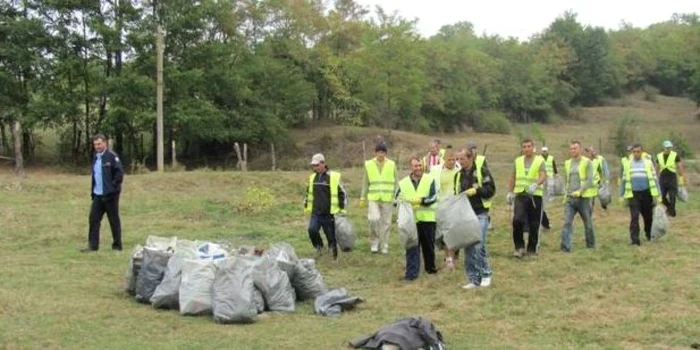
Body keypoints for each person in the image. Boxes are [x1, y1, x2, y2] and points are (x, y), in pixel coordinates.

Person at [455, 148, 495, 288]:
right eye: (458, 159)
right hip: (465, 214)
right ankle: (473, 279)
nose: (460, 162)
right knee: (468, 247)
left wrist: (477, 191)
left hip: (480, 213)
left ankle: (486, 274)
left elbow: (491, 190)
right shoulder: (458, 175)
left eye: (462, 159)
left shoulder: (481, 171)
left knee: (478, 245)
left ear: (470, 158)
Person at [395, 157, 439, 281]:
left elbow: (434, 196)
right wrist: (401, 201)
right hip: (410, 220)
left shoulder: (430, 180)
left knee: (428, 246)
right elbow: (396, 198)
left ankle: (430, 269)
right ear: (411, 167)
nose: (418, 168)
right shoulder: (403, 183)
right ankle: (411, 274)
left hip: (427, 218)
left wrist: (422, 201)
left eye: (420, 165)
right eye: (415, 166)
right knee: (412, 246)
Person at [82, 134, 124, 252]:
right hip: (98, 195)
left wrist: (112, 188)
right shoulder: (96, 157)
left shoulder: (112, 157)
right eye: (95, 144)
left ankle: (117, 245)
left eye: (99, 144)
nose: (97, 146)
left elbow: (119, 174)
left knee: (113, 220)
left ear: (105, 143)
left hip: (110, 195)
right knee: (93, 219)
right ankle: (93, 246)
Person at [507, 139, 546, 258]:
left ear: (533, 147)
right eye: (524, 147)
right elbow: (513, 177)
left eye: (529, 146)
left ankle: (532, 249)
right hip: (521, 194)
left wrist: (536, 184)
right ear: (522, 148)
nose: (526, 149)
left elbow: (543, 175)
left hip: (535, 195)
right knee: (517, 220)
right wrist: (510, 192)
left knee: (534, 223)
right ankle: (519, 247)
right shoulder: (517, 161)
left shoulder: (540, 160)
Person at [304, 153, 347, 260]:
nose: (314, 167)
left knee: (331, 237)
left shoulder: (333, 177)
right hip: (316, 212)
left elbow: (342, 193)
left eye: (316, 165)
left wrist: (341, 207)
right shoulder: (312, 177)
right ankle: (319, 248)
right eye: (313, 165)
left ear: (323, 163)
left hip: (329, 213)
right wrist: (306, 202)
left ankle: (334, 257)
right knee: (312, 230)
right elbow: (309, 192)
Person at [620, 143, 661, 245]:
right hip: (633, 194)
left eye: (638, 151)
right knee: (634, 217)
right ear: (632, 152)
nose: (636, 154)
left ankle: (649, 234)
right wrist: (621, 195)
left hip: (646, 193)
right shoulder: (628, 164)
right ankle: (635, 240)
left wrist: (659, 194)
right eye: (634, 152)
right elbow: (624, 180)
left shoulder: (648, 163)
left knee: (648, 217)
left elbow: (655, 179)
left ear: (642, 152)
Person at [360, 142, 397, 254]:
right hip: (374, 197)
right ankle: (374, 242)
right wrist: (362, 196)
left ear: (386, 153)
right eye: (379, 152)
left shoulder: (391, 164)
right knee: (373, 219)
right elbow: (365, 182)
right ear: (375, 153)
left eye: (383, 152)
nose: (381, 154)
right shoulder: (369, 164)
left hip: (387, 198)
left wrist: (396, 196)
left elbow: (396, 182)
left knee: (386, 223)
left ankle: (384, 245)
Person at [560, 141, 596, 252]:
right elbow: (567, 180)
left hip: (583, 198)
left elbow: (590, 180)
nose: (573, 151)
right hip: (570, 198)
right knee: (567, 222)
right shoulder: (567, 163)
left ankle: (591, 245)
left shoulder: (587, 162)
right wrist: (565, 194)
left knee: (588, 223)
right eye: (571, 149)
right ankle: (565, 247)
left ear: (580, 149)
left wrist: (580, 191)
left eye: (575, 148)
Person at [433, 149, 460, 270]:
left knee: (453, 233)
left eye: (454, 159)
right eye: (449, 159)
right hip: (441, 206)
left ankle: (451, 257)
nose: (452, 162)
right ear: (444, 159)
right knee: (443, 233)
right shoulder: (436, 171)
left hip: (455, 206)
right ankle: (448, 256)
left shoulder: (459, 171)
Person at [656, 140, 686, 217]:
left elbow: (679, 166)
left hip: (672, 177)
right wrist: (655, 176)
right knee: (662, 196)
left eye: (670, 148)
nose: (668, 149)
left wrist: (681, 177)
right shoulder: (659, 156)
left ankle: (672, 213)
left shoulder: (675, 155)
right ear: (663, 148)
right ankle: (670, 208)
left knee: (672, 196)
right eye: (667, 148)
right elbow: (657, 167)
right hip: (662, 177)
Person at [585, 147, 608, 212]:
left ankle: (604, 207)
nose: (589, 154)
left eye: (590, 152)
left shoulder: (597, 161)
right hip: (589, 183)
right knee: (591, 198)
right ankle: (590, 210)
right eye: (588, 153)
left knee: (602, 196)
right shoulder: (585, 161)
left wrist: (603, 179)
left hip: (597, 182)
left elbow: (600, 171)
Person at [540, 146, 557, 230]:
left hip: (550, 175)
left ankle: (550, 196)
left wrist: (556, 173)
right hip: (542, 176)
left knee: (551, 186)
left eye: (545, 151)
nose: (544, 152)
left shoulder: (551, 158)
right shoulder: (539, 158)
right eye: (543, 151)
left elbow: (554, 166)